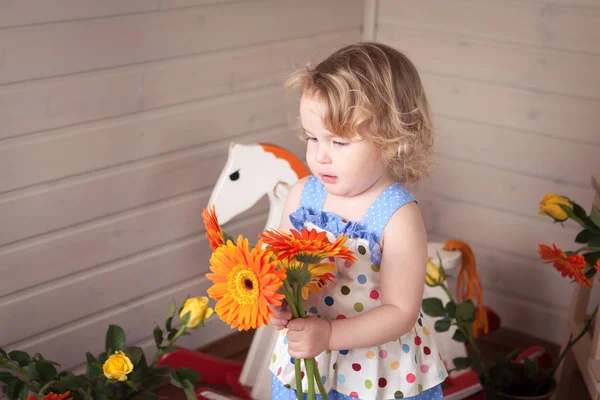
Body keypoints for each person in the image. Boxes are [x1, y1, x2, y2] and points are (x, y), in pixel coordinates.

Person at [269, 42, 447, 400]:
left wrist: (330, 336)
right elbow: (277, 268)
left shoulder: (398, 216)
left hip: (375, 373)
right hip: (308, 364)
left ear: (392, 140)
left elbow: (400, 312)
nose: (320, 155)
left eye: (339, 142)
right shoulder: (302, 196)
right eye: (312, 137)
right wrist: (278, 302)